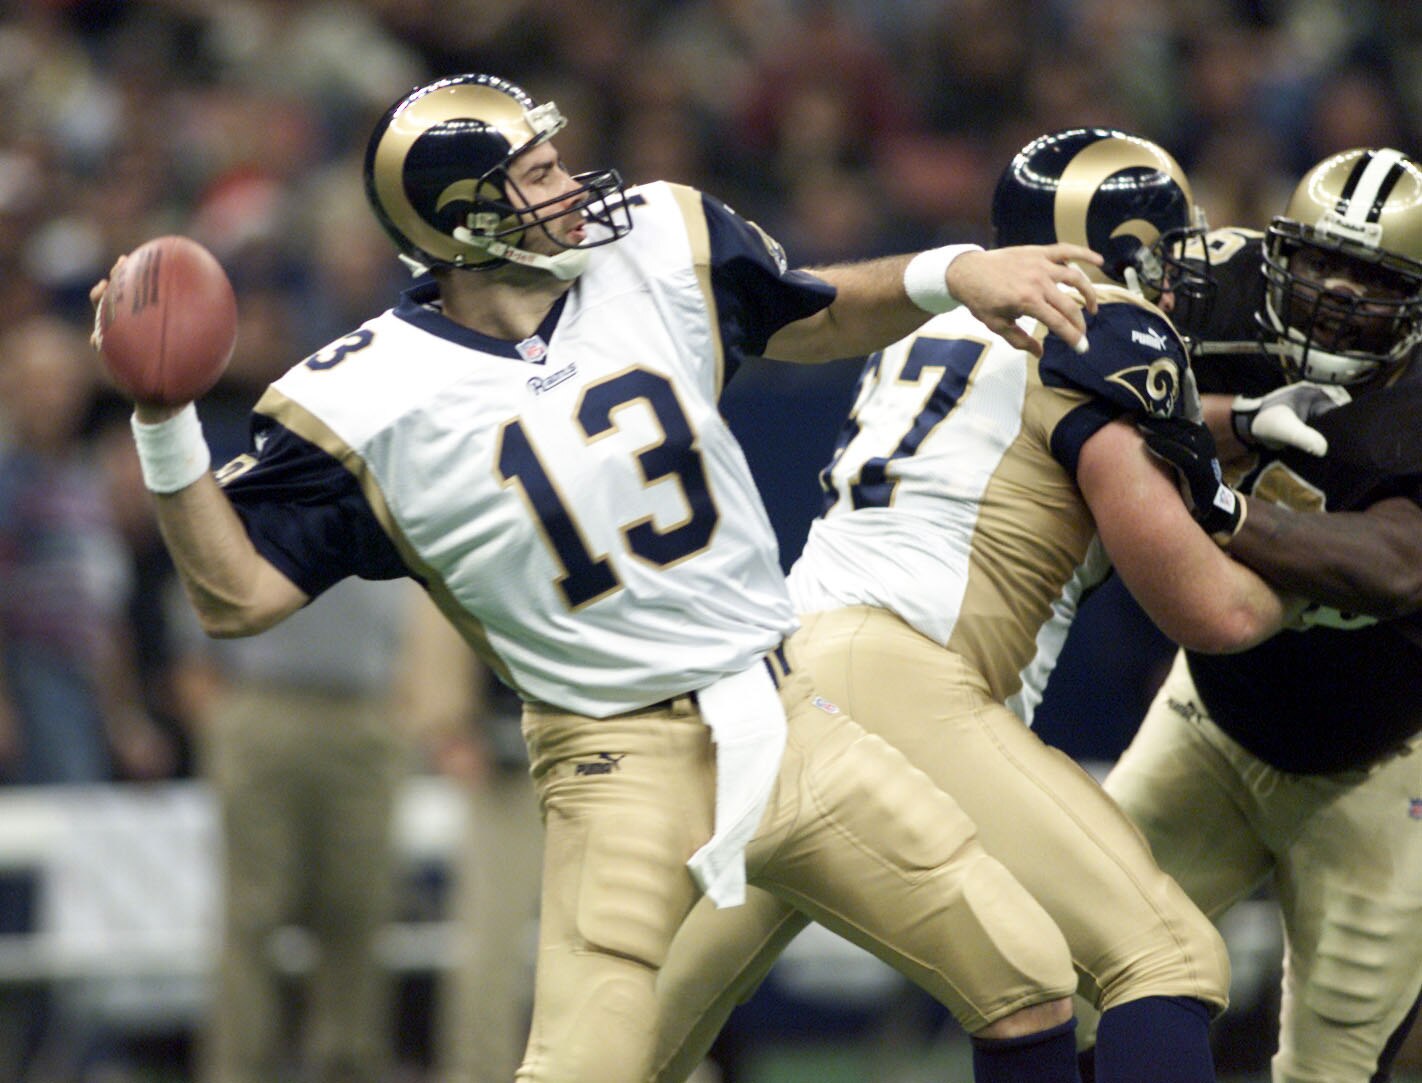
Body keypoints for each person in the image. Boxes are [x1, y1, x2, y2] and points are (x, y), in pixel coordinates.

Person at [90, 72, 1120, 1083]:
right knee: (585, 1064)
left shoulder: (654, 244)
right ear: (467, 222)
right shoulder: (363, 400)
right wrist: (163, 422)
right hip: (613, 759)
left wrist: (954, 272)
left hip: (786, 709)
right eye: (537, 173)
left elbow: (810, 310)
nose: (573, 183)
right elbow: (238, 596)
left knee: (1027, 976)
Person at [648, 128, 1301, 1083]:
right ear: (1116, 248)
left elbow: (1061, 406)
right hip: (905, 684)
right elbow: (1214, 613)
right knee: (1163, 954)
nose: (1181, 275)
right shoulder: (1106, 325)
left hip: (783, 686)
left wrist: (1229, 423)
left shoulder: (946, 319)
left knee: (630, 1036)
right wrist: (1311, 574)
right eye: (1168, 248)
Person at [1093, 146, 1422, 1083]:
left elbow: (1397, 565)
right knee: (1065, 970)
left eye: (1371, 276)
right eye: (1319, 260)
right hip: (1211, 719)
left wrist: (1221, 502)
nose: (1334, 293)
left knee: (1332, 1065)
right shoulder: (1215, 291)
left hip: (1383, 759)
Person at [172, 575, 416, 1083]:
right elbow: (196, 607)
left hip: (364, 710)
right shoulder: (244, 493)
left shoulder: (392, 499)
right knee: (252, 914)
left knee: (358, 908)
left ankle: (347, 1063)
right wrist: (218, 719)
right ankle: (238, 1068)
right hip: (263, 702)